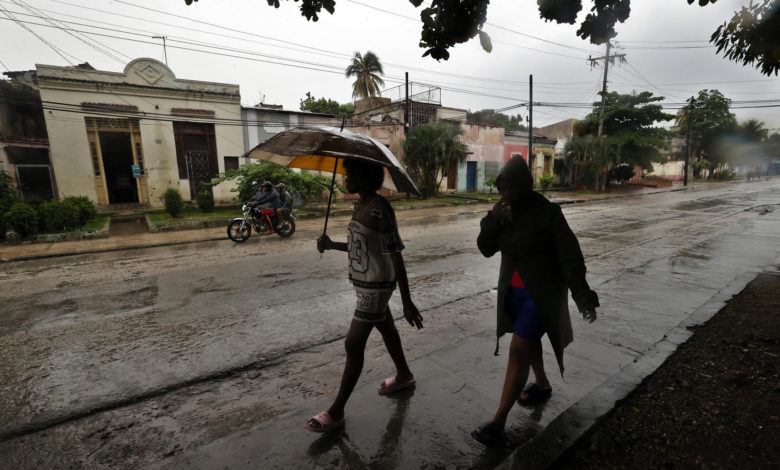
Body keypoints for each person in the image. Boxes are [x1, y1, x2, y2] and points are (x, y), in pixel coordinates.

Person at [471, 155, 599, 447]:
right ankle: (541, 384)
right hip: (513, 292)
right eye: (501, 189)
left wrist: (582, 296)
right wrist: (492, 220)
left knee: (518, 350)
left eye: (511, 189)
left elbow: (570, 257)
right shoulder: (503, 213)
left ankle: (498, 422)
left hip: (541, 295)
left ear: (525, 186)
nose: (506, 194)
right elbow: (485, 248)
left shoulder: (548, 213)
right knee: (527, 343)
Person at [306, 159, 424, 434]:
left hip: (377, 285)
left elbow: (395, 254)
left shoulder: (381, 208)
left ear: (364, 178)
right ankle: (404, 375)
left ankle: (336, 412)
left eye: (349, 174)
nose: (345, 179)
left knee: (353, 344)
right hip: (364, 282)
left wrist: (407, 300)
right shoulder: (360, 206)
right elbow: (360, 246)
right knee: (386, 327)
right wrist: (331, 244)